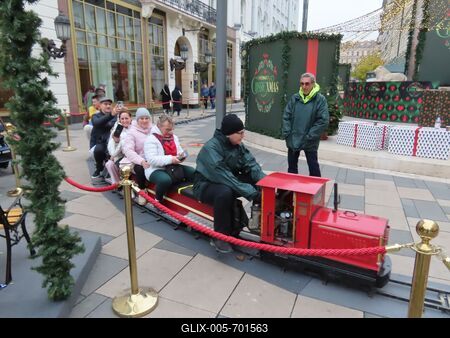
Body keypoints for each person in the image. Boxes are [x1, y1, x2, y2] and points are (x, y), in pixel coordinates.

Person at [193, 114, 266, 253]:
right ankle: (219, 237)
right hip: (205, 185)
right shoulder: (211, 148)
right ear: (229, 133)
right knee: (224, 192)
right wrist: (251, 194)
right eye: (240, 133)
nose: (243, 136)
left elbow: (252, 165)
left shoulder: (237, 145)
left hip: (226, 180)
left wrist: (266, 184)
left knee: (255, 182)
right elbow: (224, 176)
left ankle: (261, 226)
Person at [282, 72, 329, 177]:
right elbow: (286, 116)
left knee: (313, 168)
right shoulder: (295, 98)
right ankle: (291, 191)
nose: (304, 86)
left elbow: (323, 120)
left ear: (313, 84)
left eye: (307, 84)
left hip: (310, 140)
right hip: (293, 138)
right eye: (302, 84)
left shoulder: (320, 99)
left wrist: (310, 136)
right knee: (292, 169)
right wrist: (287, 134)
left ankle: (316, 191)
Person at [144, 115, 195, 202]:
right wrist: (171, 159)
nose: (170, 132)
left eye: (171, 129)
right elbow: (151, 160)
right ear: (159, 126)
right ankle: (158, 200)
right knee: (165, 180)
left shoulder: (174, 137)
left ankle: (193, 198)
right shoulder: (151, 139)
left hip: (173, 167)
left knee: (193, 172)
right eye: (167, 129)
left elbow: (179, 150)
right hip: (155, 169)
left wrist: (181, 155)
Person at [121, 108, 152, 205]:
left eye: (146, 118)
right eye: (141, 118)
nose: (144, 120)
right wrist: (141, 161)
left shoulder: (154, 129)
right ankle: (142, 190)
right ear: (137, 120)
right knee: (139, 168)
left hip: (152, 157)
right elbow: (128, 150)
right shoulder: (131, 132)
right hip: (137, 159)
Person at [90, 97, 118, 179]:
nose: (108, 106)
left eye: (109, 104)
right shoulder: (95, 116)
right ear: (100, 106)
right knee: (98, 150)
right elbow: (97, 123)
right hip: (100, 142)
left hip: (112, 141)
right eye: (105, 104)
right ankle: (99, 168)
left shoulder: (115, 116)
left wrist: (106, 121)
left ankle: (112, 170)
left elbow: (110, 124)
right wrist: (110, 116)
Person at [105, 109, 132, 184]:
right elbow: (111, 147)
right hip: (119, 155)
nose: (124, 121)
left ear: (130, 118)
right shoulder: (116, 130)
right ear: (119, 120)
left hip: (130, 155)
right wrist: (116, 142)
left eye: (126, 118)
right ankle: (116, 183)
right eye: (122, 119)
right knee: (109, 164)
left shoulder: (134, 129)